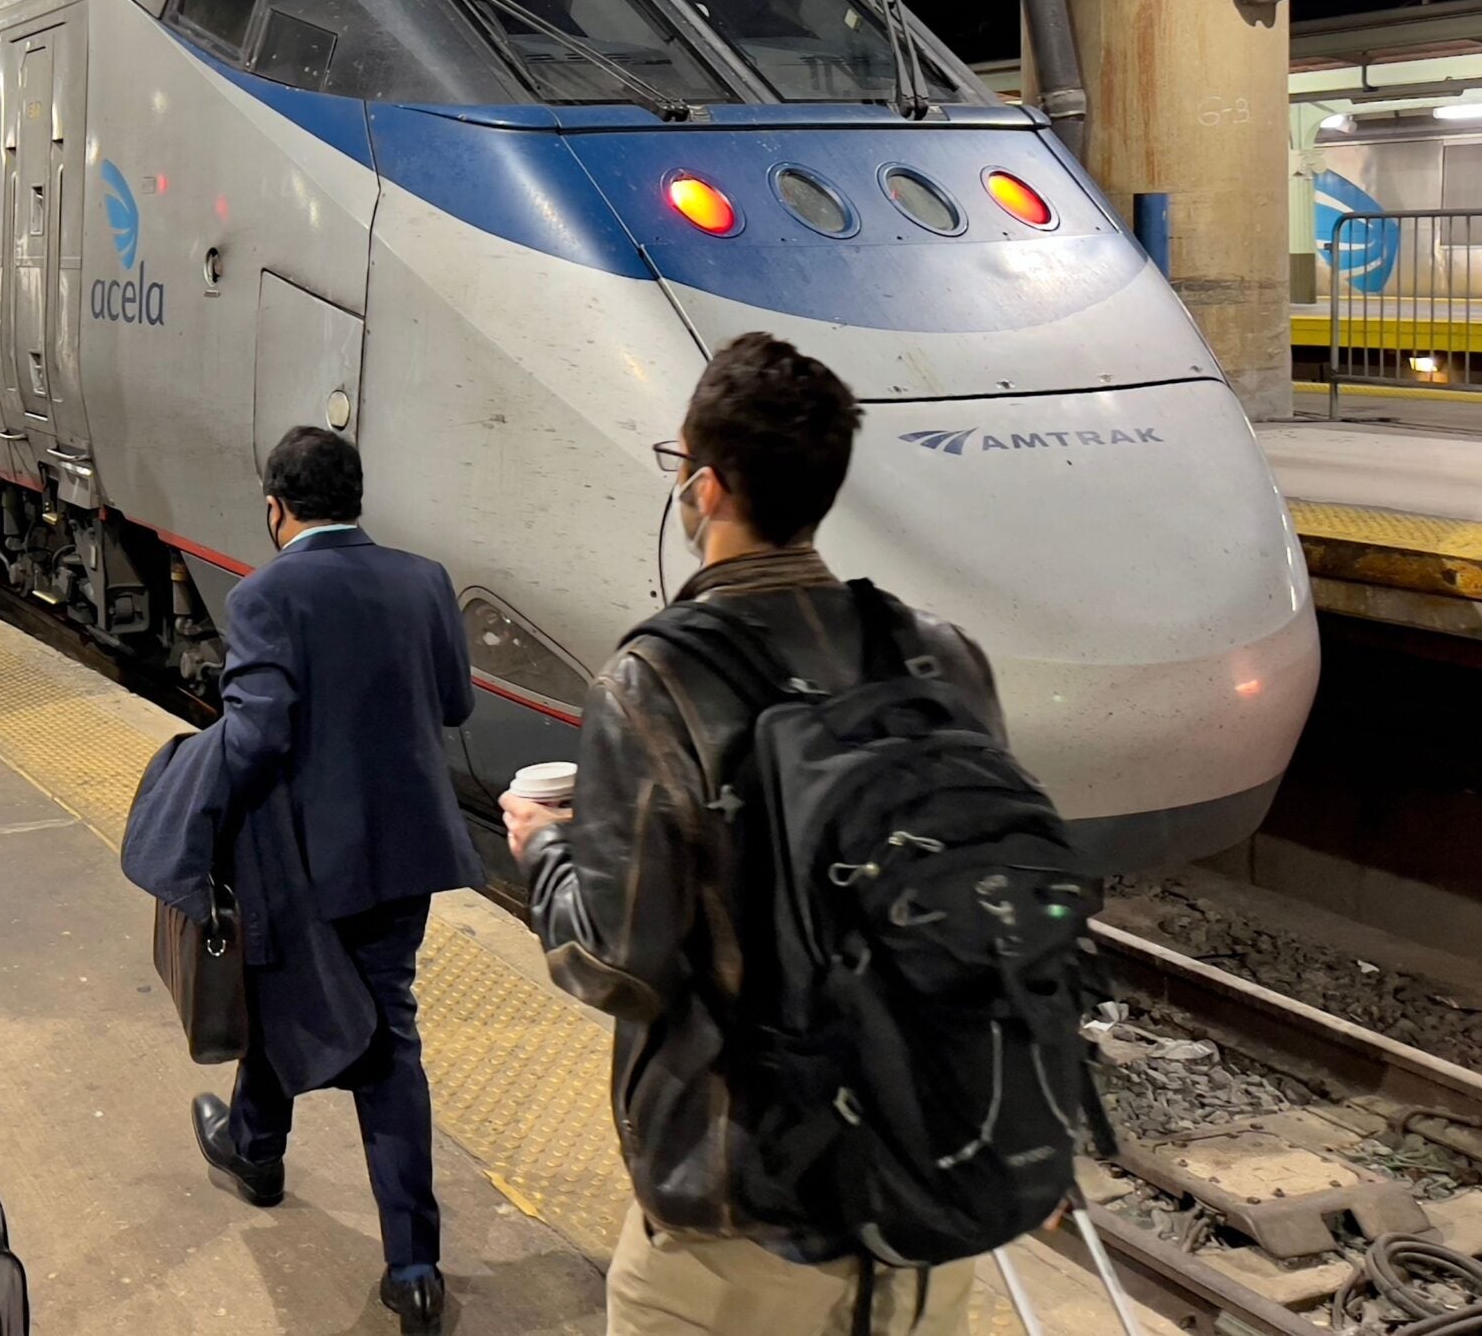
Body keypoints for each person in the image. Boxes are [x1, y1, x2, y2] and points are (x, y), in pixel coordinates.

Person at [500, 333, 1003, 1336]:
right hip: (921, 1211)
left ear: (708, 486)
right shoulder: (942, 657)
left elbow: (616, 964)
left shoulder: (655, 682)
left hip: (742, 1239)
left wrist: (546, 851)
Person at [122, 426, 476, 1336]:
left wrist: (185, 782)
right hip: (408, 854)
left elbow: (257, 737)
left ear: (275, 508)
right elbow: (453, 703)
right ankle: (405, 1260)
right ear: (356, 499)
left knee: (304, 1000)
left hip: (309, 855)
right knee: (377, 1025)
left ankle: (265, 1159)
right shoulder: (424, 580)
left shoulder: (265, 594)